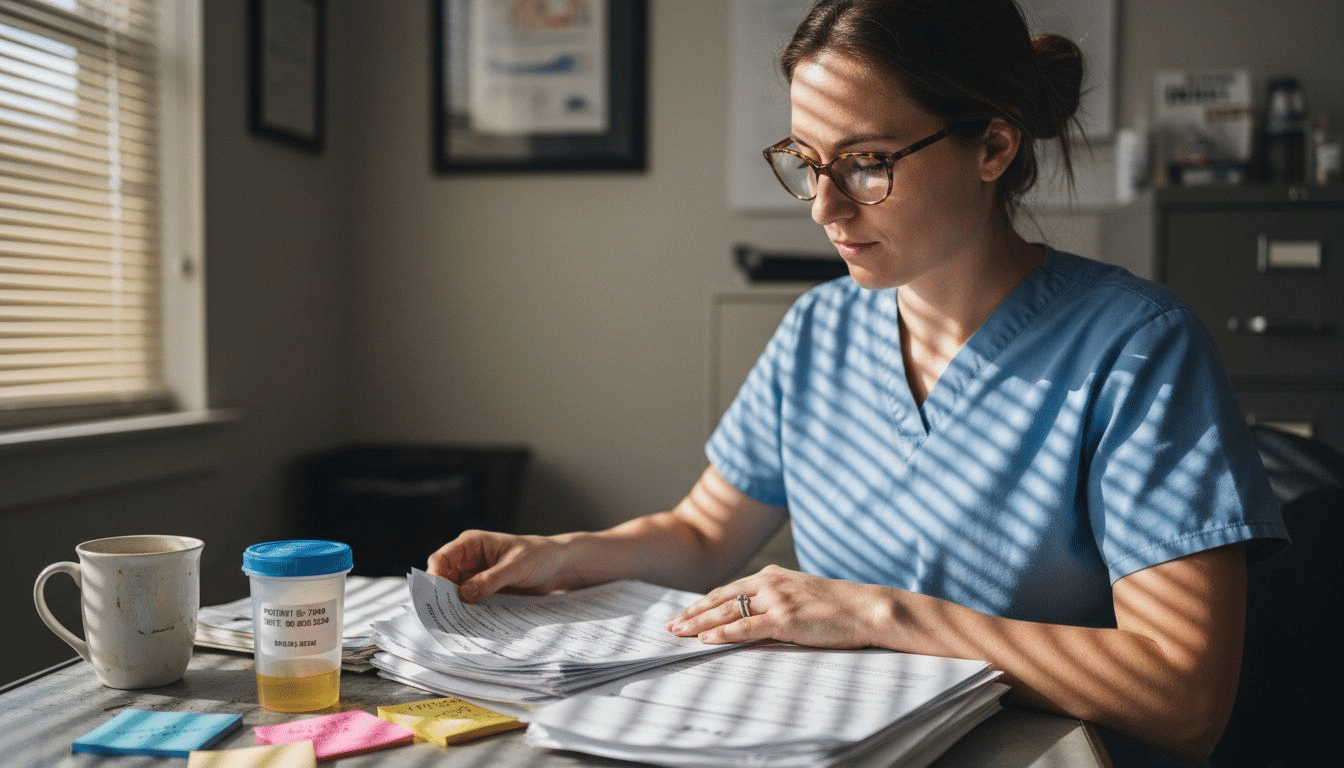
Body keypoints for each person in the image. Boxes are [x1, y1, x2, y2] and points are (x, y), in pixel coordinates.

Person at [428, 1, 1288, 765]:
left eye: (867, 162)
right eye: (807, 161)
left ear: (992, 145)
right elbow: (701, 535)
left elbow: (1183, 700)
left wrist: (880, 617)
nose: (824, 207)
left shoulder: (1136, 349)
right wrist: (558, 555)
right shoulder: (819, 330)